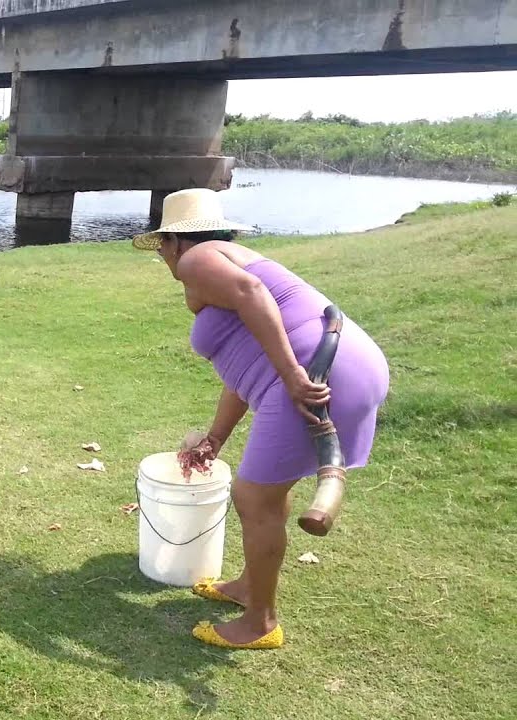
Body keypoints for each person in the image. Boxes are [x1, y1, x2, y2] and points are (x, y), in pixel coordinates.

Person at [132, 188, 390, 650]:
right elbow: (242, 370)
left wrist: (293, 376)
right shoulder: (229, 259)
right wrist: (215, 437)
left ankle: (260, 623)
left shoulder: (199, 260)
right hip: (344, 363)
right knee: (267, 492)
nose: (165, 261)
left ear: (174, 241)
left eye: (163, 249)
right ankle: (251, 588)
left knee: (253, 496)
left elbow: (252, 296)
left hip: (320, 369)